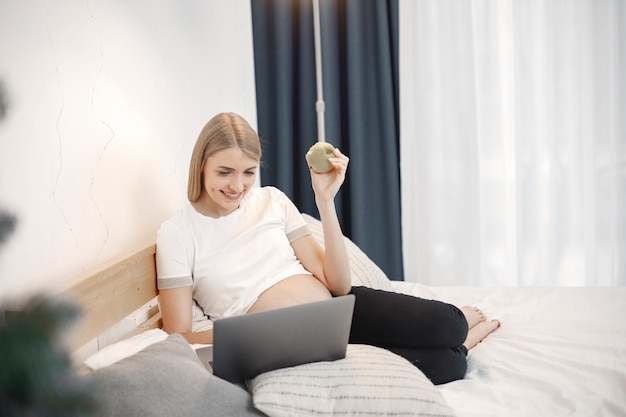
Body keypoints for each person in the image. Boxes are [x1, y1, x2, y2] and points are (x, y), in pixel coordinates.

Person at [156, 112, 500, 385]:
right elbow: (178, 334)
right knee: (450, 364)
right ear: (201, 164)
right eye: (224, 172)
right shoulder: (178, 234)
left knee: (450, 322)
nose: (237, 186)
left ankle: (459, 335)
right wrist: (241, 333)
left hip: (340, 309)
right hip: (287, 344)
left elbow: (339, 284)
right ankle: (464, 346)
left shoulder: (272, 200)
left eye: (248, 172)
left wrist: (325, 199)